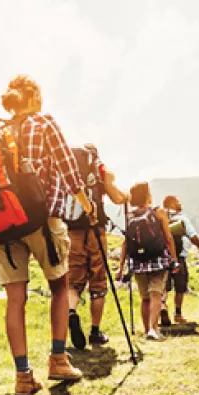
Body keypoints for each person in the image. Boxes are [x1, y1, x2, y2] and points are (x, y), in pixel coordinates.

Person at [0, 75, 96, 395]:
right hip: (40, 218)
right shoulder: (44, 123)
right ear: (34, 97)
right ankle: (58, 360)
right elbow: (68, 168)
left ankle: (23, 376)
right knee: (59, 287)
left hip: (2, 223)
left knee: (15, 298)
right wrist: (86, 204)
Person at [66, 144, 129, 350]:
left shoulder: (68, 170)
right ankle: (95, 331)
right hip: (96, 229)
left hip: (72, 229)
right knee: (98, 280)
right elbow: (117, 198)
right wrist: (126, 196)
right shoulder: (102, 171)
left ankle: (71, 312)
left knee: (72, 281)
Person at [117, 182, 178, 342]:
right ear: (147, 195)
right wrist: (174, 260)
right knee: (156, 293)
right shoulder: (159, 212)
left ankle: (146, 330)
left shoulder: (129, 216)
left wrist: (121, 266)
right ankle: (153, 329)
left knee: (145, 297)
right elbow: (168, 237)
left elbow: (126, 242)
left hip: (137, 262)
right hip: (158, 259)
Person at [162, 195, 199, 324]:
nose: (180, 203)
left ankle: (163, 307)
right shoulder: (181, 219)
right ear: (172, 204)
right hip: (178, 257)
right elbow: (192, 236)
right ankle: (178, 314)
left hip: (162, 258)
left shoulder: (159, 219)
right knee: (180, 286)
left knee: (163, 287)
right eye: (178, 201)